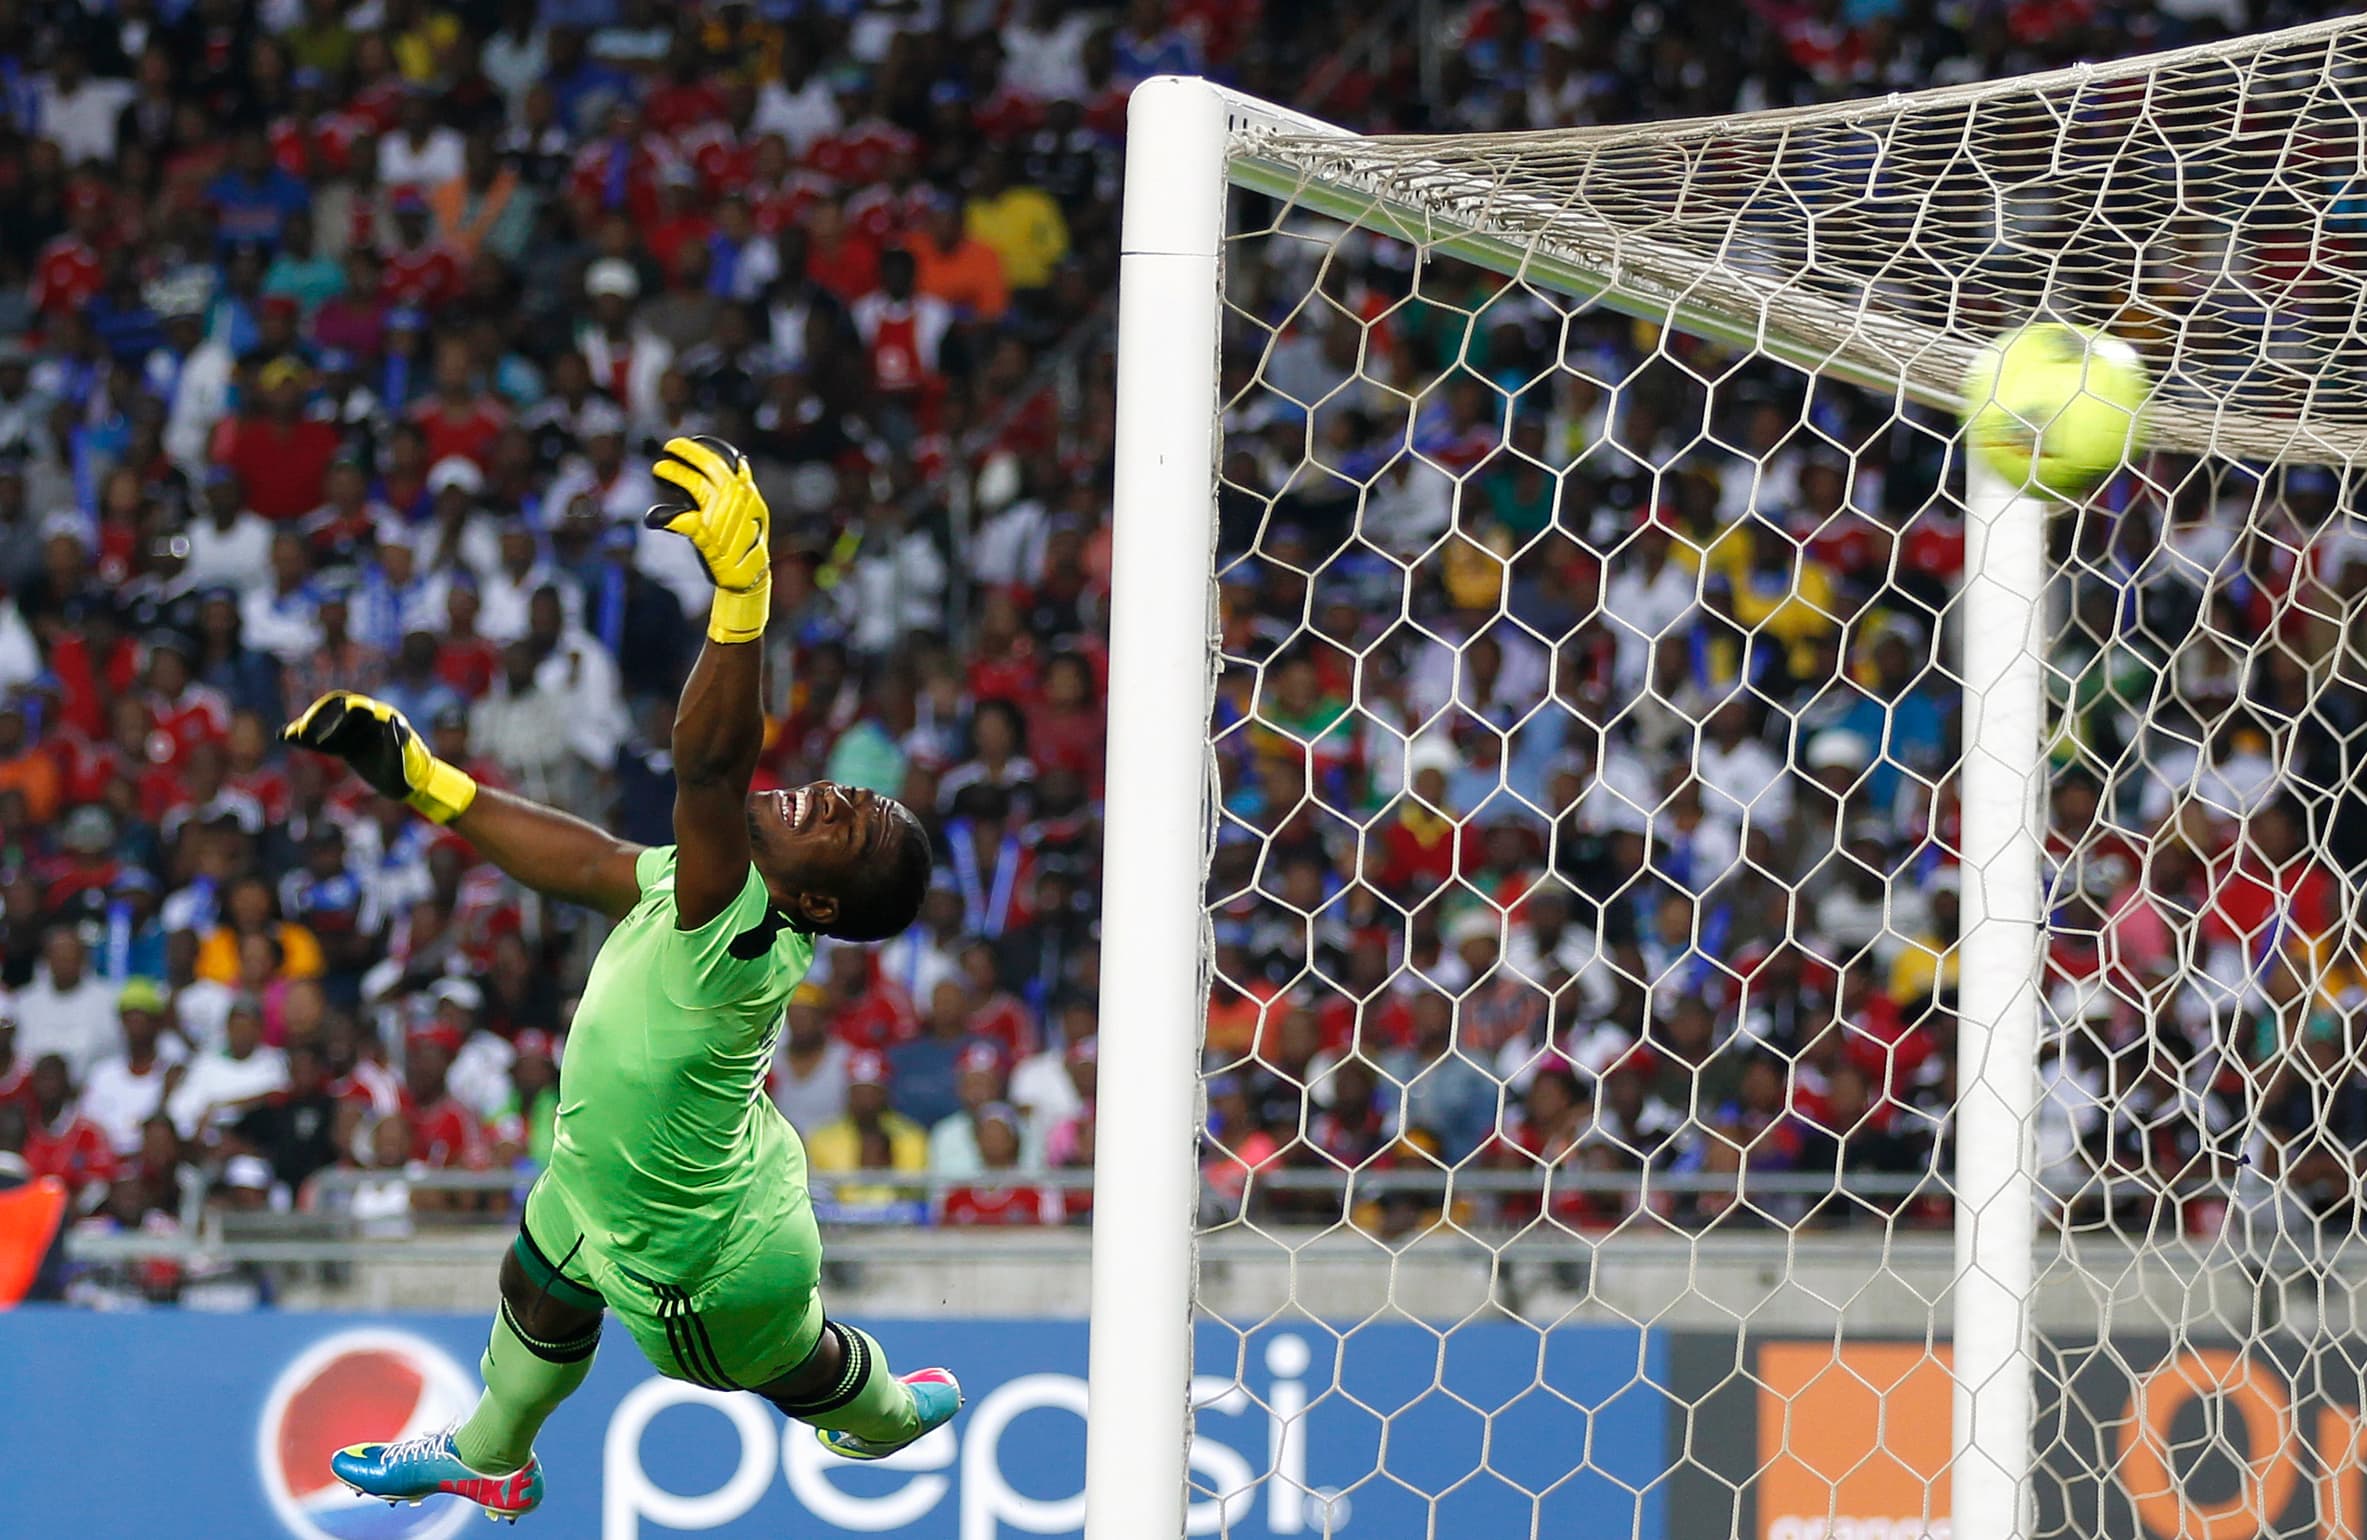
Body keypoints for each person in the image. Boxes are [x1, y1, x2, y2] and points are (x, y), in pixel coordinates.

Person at [290, 436, 955, 1522]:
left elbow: (706, 765)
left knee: (777, 1365)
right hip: (635, 1176)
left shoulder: (734, 918)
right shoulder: (706, 889)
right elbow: (592, 864)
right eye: (840, 790)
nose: (820, 793)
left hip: (713, 1256)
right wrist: (424, 780)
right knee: (537, 1277)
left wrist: (742, 598)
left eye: (837, 822)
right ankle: (493, 1453)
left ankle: (878, 1413)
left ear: (820, 906)